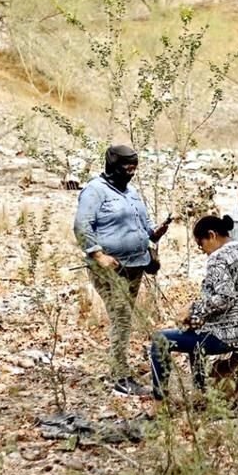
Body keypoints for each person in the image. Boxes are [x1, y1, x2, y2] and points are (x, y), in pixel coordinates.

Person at [73, 144, 170, 396]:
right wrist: (98, 255)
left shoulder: (132, 192)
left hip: (136, 264)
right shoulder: (95, 191)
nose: (131, 172)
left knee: (125, 317)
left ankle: (120, 366)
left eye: (135, 167)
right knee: (122, 317)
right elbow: (82, 225)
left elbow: (144, 223)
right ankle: (119, 375)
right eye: (127, 167)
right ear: (114, 165)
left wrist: (154, 233)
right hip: (109, 267)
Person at [150, 215, 238, 400]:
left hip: (227, 335)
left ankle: (160, 401)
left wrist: (193, 309)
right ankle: (200, 391)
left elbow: (224, 297)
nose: (203, 251)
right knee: (196, 333)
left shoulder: (218, 258)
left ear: (211, 235)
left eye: (200, 245)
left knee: (160, 339)